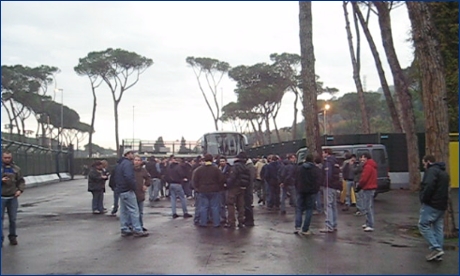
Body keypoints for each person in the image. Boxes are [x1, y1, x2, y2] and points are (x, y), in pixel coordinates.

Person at [418, 155, 449, 261]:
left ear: (428, 162)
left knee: (423, 225)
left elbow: (428, 186)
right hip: (442, 204)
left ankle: (436, 248)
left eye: (424, 163)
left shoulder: (431, 171)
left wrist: (423, 198)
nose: (423, 165)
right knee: (438, 227)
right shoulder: (443, 172)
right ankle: (438, 251)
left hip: (432, 204)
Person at [113, 149, 149, 237]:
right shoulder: (128, 164)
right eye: (132, 153)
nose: (133, 155)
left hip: (121, 190)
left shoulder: (119, 164)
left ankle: (124, 228)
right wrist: (133, 186)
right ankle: (137, 229)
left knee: (124, 211)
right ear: (128, 154)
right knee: (134, 210)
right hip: (128, 190)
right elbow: (129, 177)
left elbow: (114, 177)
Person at [192, 154, 225, 228]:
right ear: (212, 160)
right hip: (214, 190)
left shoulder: (199, 170)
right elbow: (221, 179)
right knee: (215, 207)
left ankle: (203, 223)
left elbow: (194, 180)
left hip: (202, 190)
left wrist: (197, 188)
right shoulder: (216, 169)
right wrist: (219, 187)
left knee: (203, 207)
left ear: (204, 160)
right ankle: (216, 223)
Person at [1, 150, 25, 246]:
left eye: (9, 158)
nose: (7, 159)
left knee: (13, 219)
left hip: (12, 197)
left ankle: (13, 237)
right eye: (5, 158)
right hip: (1, 197)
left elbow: (21, 181)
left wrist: (20, 190)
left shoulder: (16, 169)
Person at [294, 153, 322, 235]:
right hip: (311, 191)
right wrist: (316, 190)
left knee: (299, 208)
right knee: (309, 210)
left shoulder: (299, 168)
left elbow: (296, 179)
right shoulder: (316, 170)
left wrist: (297, 188)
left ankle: (297, 226)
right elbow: (318, 181)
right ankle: (305, 229)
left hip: (300, 190)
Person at [225, 152, 251, 228]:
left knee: (230, 204)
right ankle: (241, 221)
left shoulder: (235, 167)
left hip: (234, 187)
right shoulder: (246, 167)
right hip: (242, 187)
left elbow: (232, 177)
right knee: (241, 205)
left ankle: (231, 222)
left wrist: (227, 184)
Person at [320, 148, 342, 233]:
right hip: (335, 186)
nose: (322, 154)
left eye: (323, 153)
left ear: (326, 153)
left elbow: (327, 175)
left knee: (328, 205)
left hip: (329, 186)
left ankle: (329, 225)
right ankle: (334, 224)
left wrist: (325, 182)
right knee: (333, 205)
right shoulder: (336, 162)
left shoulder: (328, 162)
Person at [356, 152, 377, 232]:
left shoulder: (367, 166)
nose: (361, 159)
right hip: (371, 187)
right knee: (369, 206)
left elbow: (364, 178)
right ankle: (368, 222)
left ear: (366, 158)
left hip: (368, 188)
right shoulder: (372, 165)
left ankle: (370, 224)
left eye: (362, 157)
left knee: (367, 207)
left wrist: (359, 186)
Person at [133, 155, 152, 231]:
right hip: (131, 192)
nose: (137, 162)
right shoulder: (130, 169)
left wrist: (146, 185)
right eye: (135, 160)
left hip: (140, 192)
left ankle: (140, 225)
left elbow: (148, 178)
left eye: (138, 160)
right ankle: (132, 226)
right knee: (132, 211)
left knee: (140, 211)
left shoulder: (143, 170)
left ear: (141, 162)